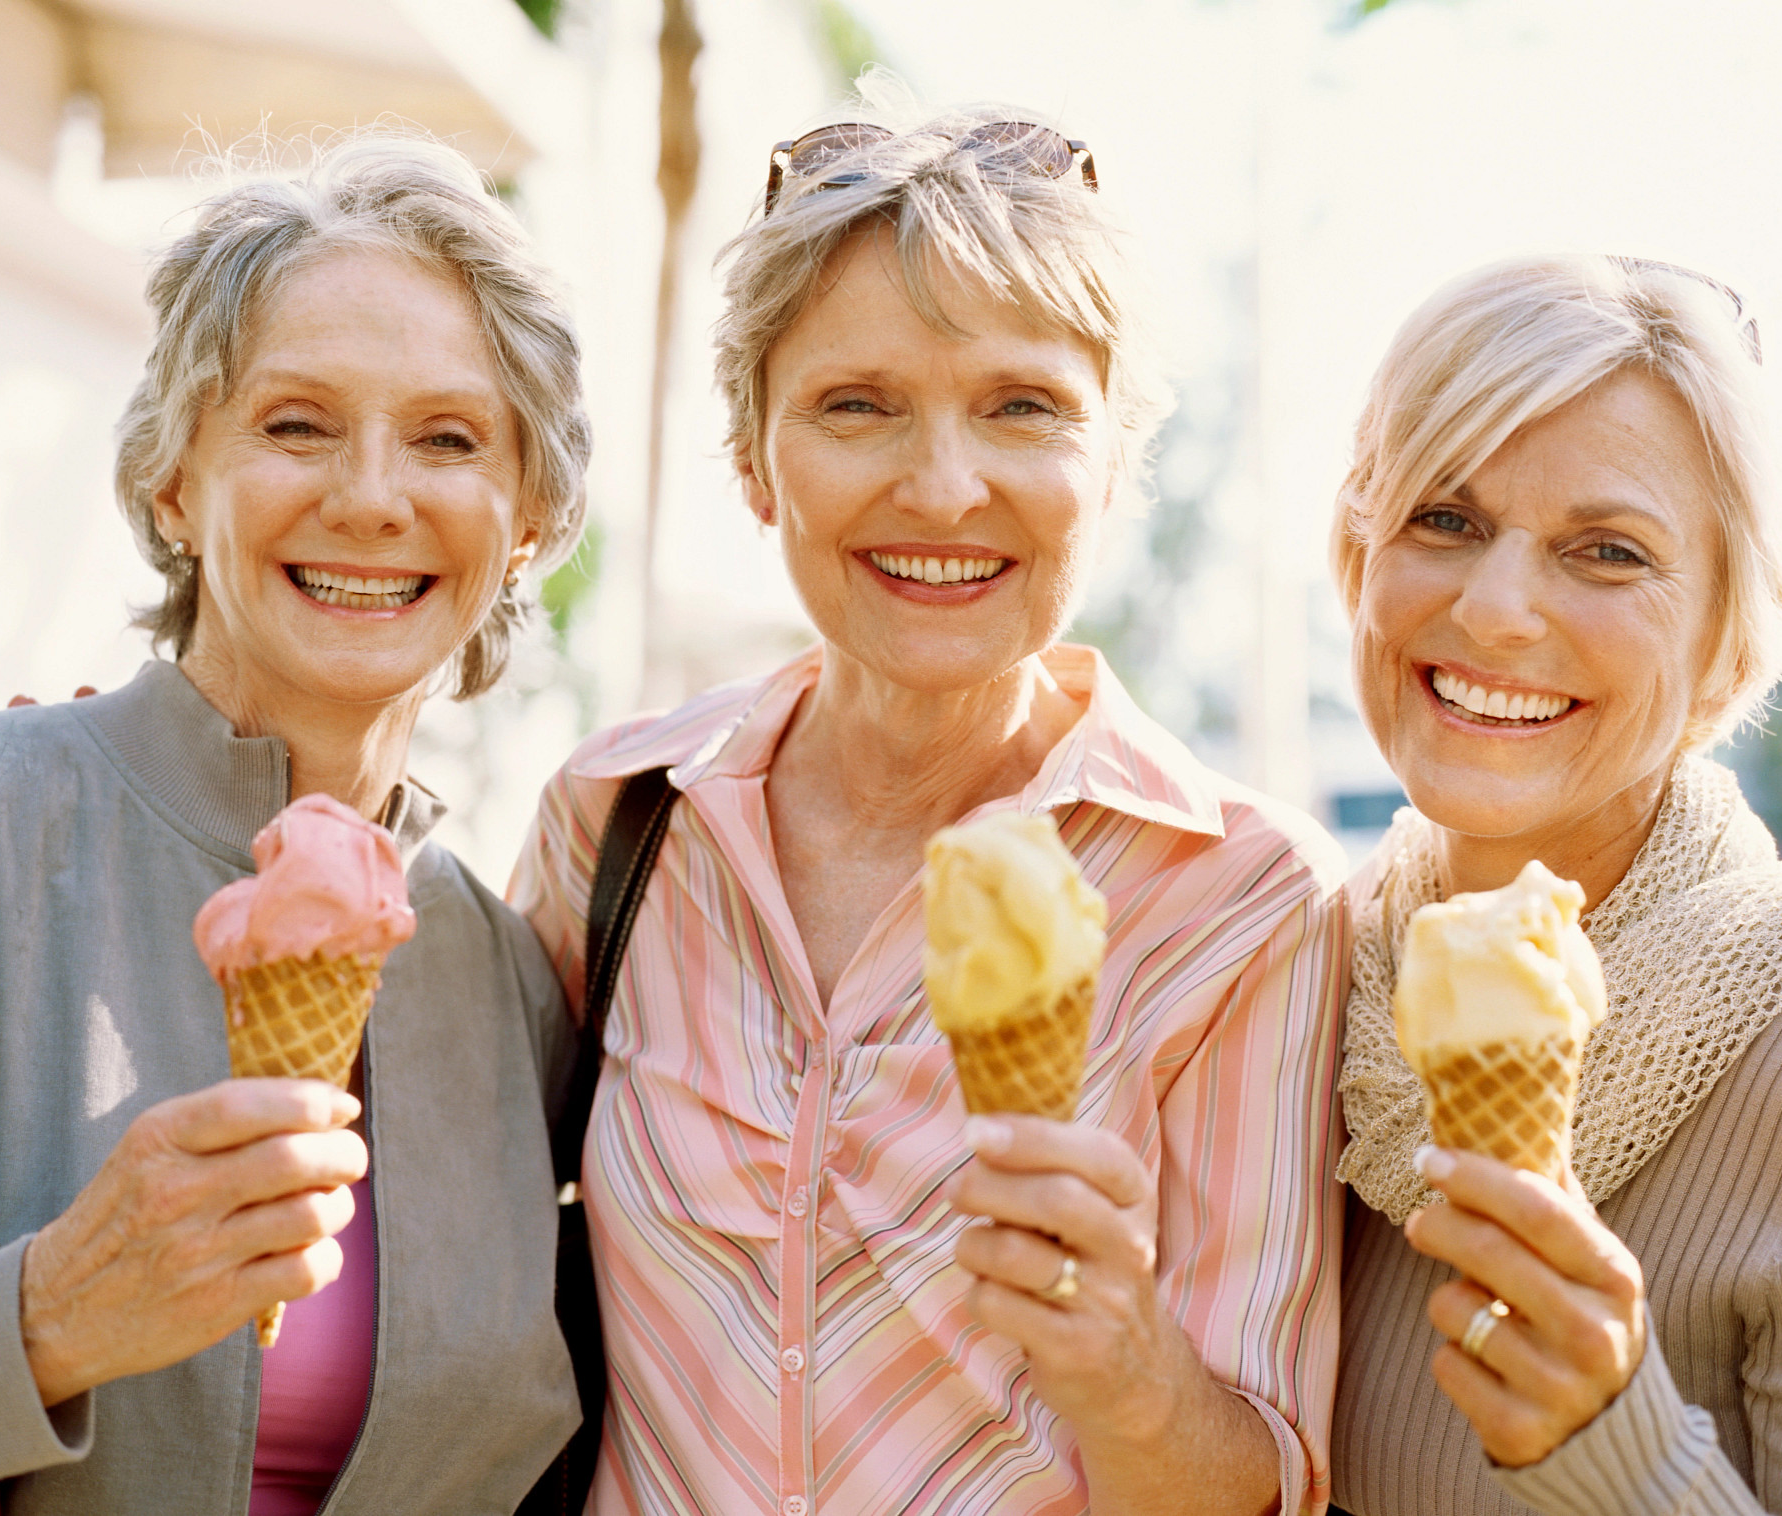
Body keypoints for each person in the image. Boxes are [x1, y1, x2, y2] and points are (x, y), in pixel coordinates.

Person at [511, 109, 1351, 1516]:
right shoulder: (616, 820)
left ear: (1113, 463)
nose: (947, 488)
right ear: (753, 459)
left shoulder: (1244, 898)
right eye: (858, 405)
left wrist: (1127, 1374)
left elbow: (1263, 1478)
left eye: (1023, 407)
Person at [0, 133, 591, 1515]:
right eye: (296, 424)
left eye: (448, 438)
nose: (370, 498)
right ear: (173, 482)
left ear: (529, 521)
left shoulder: (516, 990)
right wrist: (44, 1317)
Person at [1324, 254, 1782, 1515]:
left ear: (1724, 641)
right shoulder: (1290, 983)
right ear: (1357, 556)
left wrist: (1618, 1448)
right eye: (1443, 519)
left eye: (1605, 552)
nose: (1495, 611)